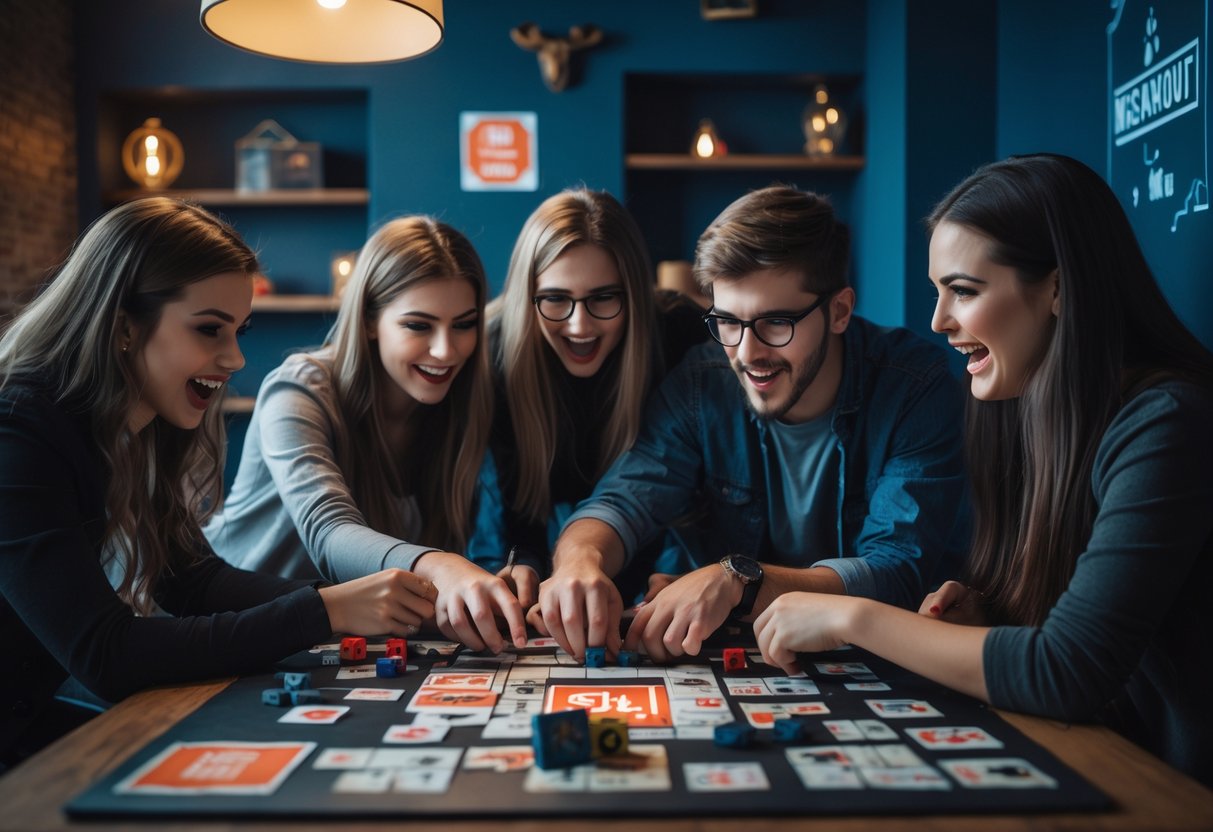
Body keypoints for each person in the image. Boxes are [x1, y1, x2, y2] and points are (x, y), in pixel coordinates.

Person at [754, 154, 1213, 787]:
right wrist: (990, 616)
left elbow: (1067, 671)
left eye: (963, 291)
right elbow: (1066, 633)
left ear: (1058, 288)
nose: (939, 321)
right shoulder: (1034, 412)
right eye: (939, 291)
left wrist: (848, 615)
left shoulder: (1166, 421)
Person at [0, 198, 436, 771]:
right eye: (210, 329)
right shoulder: (18, 433)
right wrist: (324, 611)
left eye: (238, 331)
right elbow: (105, 655)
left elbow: (195, 582)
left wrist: (388, 605)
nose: (233, 358)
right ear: (123, 326)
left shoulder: (135, 425)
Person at [536, 185, 970, 661]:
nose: (746, 354)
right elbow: (624, 498)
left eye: (776, 323)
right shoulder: (701, 383)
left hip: (882, 661)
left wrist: (736, 580)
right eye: (728, 321)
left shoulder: (915, 386)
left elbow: (895, 571)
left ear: (839, 311)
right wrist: (581, 560)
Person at [205, 217, 528, 653]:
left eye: (464, 324)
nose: (446, 350)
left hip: (330, 650)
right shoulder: (297, 388)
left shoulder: (457, 408)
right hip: (226, 634)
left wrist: (487, 587)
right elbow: (330, 532)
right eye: (418, 325)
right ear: (371, 319)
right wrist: (444, 567)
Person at [467, 188, 707, 606]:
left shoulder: (678, 335)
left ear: (632, 294)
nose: (580, 326)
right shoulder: (492, 348)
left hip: (653, 547)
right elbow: (516, 505)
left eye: (603, 298)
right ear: (528, 296)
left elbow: (666, 493)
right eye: (556, 299)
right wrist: (525, 567)